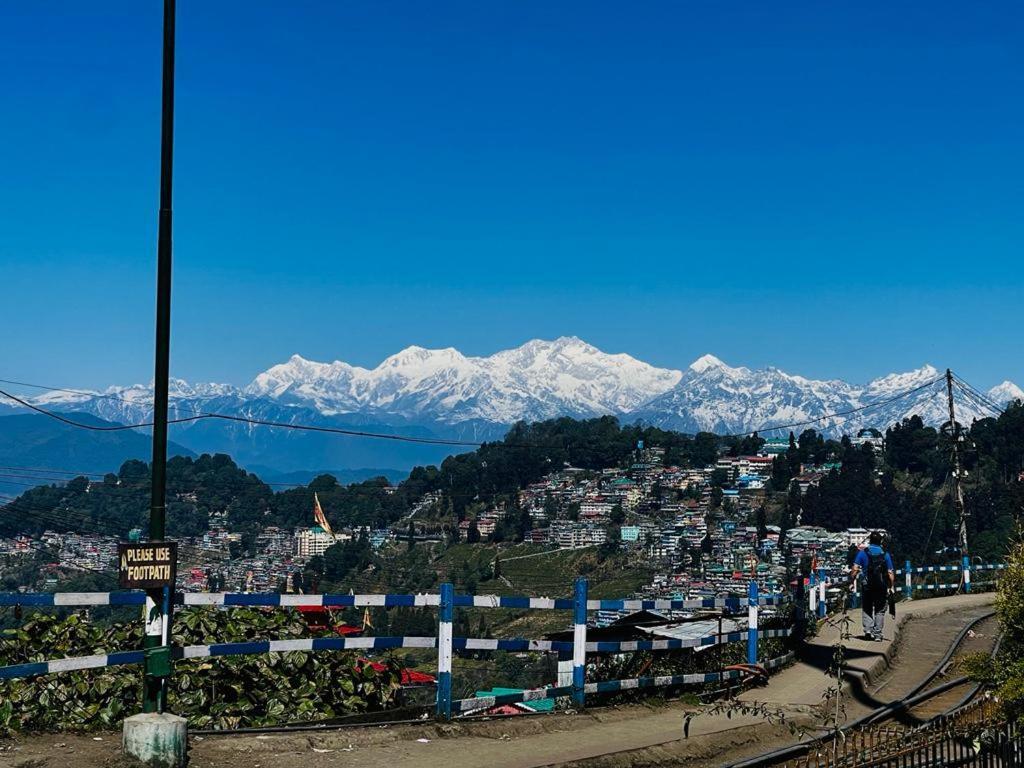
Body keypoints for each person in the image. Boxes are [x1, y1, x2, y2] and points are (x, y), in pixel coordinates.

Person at [850, 531, 895, 641]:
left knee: (867, 607)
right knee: (880, 609)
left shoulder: (862, 553)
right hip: (881, 585)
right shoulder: (885, 555)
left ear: (870, 541)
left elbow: (854, 570)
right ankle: (878, 634)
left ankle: (868, 631)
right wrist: (891, 586)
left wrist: (852, 582)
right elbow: (890, 573)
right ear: (880, 542)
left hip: (867, 584)